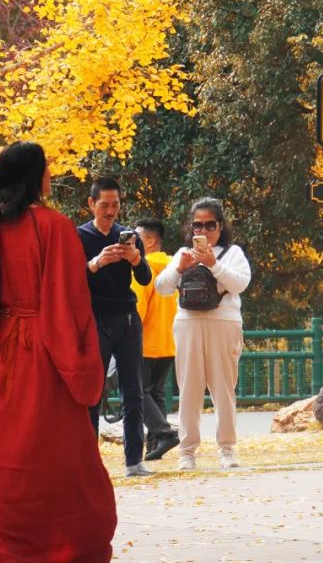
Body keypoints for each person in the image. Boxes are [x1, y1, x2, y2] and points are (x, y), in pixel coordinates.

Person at [0, 141, 116, 563]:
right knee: (55, 451)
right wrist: (78, 360)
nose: (49, 176)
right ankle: (58, 545)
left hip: (1, 352)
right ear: (34, 176)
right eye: (46, 169)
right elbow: (68, 303)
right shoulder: (57, 227)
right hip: (45, 353)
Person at [155, 197, 251, 470]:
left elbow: (239, 284)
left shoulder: (233, 253)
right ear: (191, 227)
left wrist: (212, 263)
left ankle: (227, 450)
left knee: (223, 389)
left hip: (224, 322)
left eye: (210, 225)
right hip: (188, 323)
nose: (204, 231)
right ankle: (187, 451)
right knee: (189, 389)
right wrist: (179, 269)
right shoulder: (183, 253)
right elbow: (161, 287)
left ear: (220, 226)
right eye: (198, 225)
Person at [78, 175, 152, 476]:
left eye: (116, 205)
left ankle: (134, 460)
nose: (110, 212)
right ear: (91, 204)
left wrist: (135, 259)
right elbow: (72, 280)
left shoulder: (129, 235)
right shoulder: (79, 236)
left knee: (133, 391)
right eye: (104, 205)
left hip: (128, 318)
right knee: (92, 392)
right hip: (96, 318)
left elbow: (146, 279)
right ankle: (87, 463)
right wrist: (96, 263)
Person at [132, 218, 179, 461]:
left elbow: (136, 308)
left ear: (149, 240)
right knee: (156, 394)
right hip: (169, 342)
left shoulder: (143, 268)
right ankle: (154, 447)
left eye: (135, 235)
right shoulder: (174, 268)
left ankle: (164, 433)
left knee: (137, 392)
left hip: (145, 342)